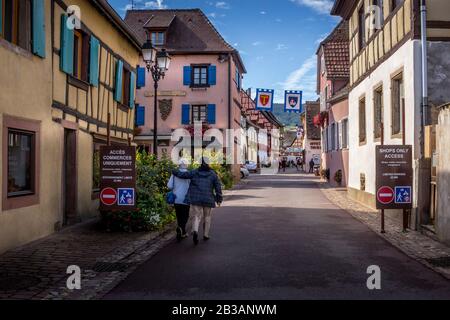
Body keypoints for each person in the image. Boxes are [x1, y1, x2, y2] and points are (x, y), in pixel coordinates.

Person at [172, 158, 223, 245]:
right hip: (208, 198)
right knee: (207, 216)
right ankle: (206, 234)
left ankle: (195, 231)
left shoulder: (195, 172)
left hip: (196, 197)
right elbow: (218, 187)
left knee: (196, 216)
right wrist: (219, 199)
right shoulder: (213, 174)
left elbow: (183, 175)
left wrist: (174, 171)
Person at [167, 159, 191, 242]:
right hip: (186, 198)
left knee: (179, 215)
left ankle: (182, 231)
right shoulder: (189, 174)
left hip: (176, 198)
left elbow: (169, 186)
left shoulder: (174, 174)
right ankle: (181, 228)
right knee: (186, 215)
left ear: (179, 164)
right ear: (186, 164)